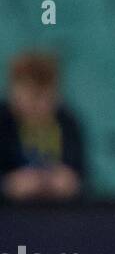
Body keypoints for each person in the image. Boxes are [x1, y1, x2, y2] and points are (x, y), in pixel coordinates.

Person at [0, 51, 89, 202]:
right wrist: (7, 185)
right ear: (13, 91)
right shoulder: (3, 122)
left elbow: (82, 177)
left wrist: (70, 182)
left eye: (43, 96)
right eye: (30, 95)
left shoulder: (68, 123)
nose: (36, 106)